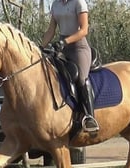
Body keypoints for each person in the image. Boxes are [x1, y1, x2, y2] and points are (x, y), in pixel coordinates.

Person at [41, 0, 99, 133]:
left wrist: (64, 42)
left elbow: (84, 30)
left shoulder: (79, 3)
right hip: (63, 48)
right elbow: (51, 30)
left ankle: (89, 117)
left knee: (81, 78)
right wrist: (41, 47)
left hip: (79, 48)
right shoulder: (56, 4)